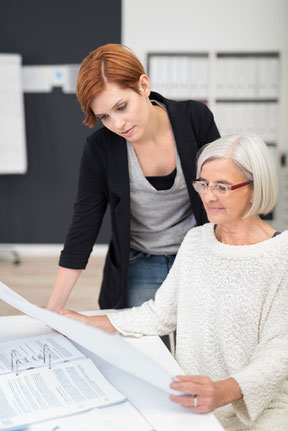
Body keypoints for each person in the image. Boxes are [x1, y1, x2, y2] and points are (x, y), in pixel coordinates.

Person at [59, 135, 288, 431]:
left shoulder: (281, 255)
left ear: (255, 188)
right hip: (192, 400)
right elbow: (161, 313)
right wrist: (87, 322)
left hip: (259, 407)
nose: (208, 196)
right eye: (203, 184)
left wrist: (223, 391)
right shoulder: (196, 241)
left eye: (222, 186)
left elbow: (280, 351)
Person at [47, 43, 220, 311]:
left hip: (198, 257)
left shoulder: (195, 119)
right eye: (104, 116)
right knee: (145, 351)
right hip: (139, 263)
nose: (118, 124)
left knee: (196, 349)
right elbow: (84, 225)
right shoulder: (100, 148)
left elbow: (223, 193)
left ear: (143, 85)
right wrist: (52, 311)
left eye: (122, 107)